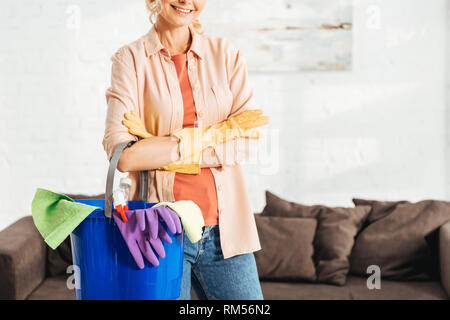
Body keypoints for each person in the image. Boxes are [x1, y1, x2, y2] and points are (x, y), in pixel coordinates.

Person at [102, 0, 265, 300]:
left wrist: (160, 146)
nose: (186, 1)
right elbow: (124, 155)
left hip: (224, 232)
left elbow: (249, 139)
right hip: (161, 230)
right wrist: (211, 137)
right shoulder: (130, 60)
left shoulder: (225, 56)